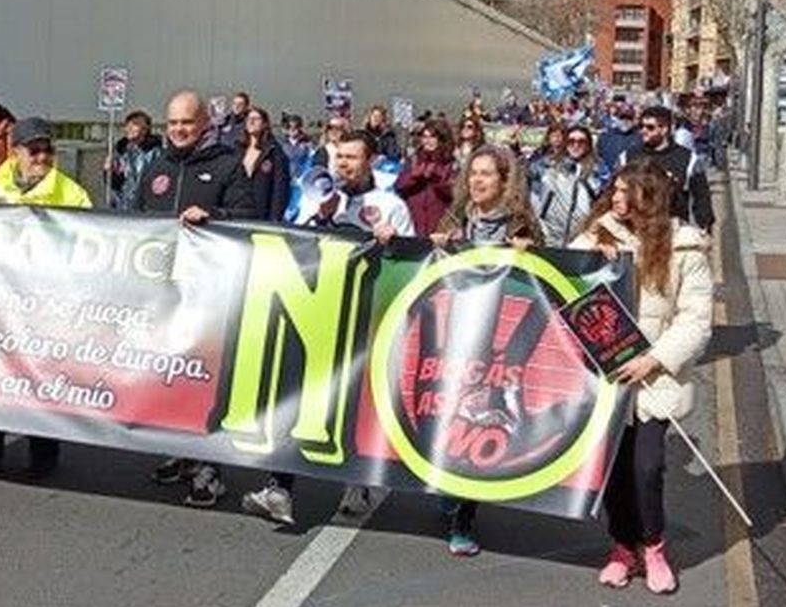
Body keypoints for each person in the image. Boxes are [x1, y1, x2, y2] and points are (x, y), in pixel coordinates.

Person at [242, 130, 413, 527]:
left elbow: (409, 262)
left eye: (353, 157)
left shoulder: (390, 205)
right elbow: (292, 242)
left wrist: (392, 240)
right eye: (341, 157)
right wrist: (322, 216)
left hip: (364, 317)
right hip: (315, 315)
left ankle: (357, 483)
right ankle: (279, 487)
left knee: (352, 403)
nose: (344, 164)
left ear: (371, 161)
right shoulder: (314, 194)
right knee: (296, 399)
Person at [571, 161, 712, 594]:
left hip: (653, 381)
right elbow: (564, 275)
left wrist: (653, 360)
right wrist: (592, 257)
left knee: (647, 467)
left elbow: (695, 320)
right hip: (608, 377)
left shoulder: (686, 247)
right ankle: (621, 547)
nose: (615, 199)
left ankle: (653, 547)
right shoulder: (599, 233)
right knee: (614, 469)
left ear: (647, 196)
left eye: (624, 191)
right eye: (614, 190)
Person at [425, 144, 545, 556]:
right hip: (458, 330)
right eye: (473, 172)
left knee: (478, 417)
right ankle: (449, 488)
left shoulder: (520, 221)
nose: (477, 180)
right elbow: (430, 260)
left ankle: (464, 516)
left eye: (486, 174)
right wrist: (438, 242)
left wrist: (528, 250)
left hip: (502, 335)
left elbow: (548, 268)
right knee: (448, 409)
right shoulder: (457, 215)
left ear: (503, 181)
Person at [137, 90, 255, 507]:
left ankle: (210, 468)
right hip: (164, 293)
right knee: (171, 375)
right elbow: (135, 220)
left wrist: (215, 218)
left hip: (211, 296)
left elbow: (250, 219)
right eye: (172, 123)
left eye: (187, 122)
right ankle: (181, 452)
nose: (179, 130)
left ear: (204, 123)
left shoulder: (227, 165)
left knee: (206, 381)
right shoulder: (156, 167)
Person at [0, 117, 91, 477]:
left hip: (46, 305)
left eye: (47, 150)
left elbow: (89, 247)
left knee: (42, 379)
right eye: (34, 150)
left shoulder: (72, 194)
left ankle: (43, 456)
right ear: (15, 152)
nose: (42, 157)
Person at [619, 106, 715, 233]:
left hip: (672, 230)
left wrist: (704, 226)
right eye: (641, 126)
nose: (643, 131)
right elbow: (615, 191)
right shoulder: (628, 156)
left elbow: (701, 196)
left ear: (664, 129)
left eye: (650, 127)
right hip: (635, 229)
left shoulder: (687, 159)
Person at [533, 124, 607, 247]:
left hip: (582, 237)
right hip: (549, 235)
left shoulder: (599, 170)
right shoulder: (547, 165)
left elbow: (603, 203)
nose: (575, 145)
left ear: (588, 145)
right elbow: (532, 195)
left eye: (581, 142)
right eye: (571, 141)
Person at [394, 119, 455, 237]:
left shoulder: (450, 163)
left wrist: (437, 180)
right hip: (414, 222)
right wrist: (414, 176)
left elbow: (455, 193)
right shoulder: (413, 159)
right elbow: (398, 186)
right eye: (425, 137)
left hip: (439, 223)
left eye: (432, 137)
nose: (427, 141)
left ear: (441, 139)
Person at [240, 106, 292, 222]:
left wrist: (275, 218)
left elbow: (280, 188)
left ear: (264, 124)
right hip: (239, 211)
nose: (251, 122)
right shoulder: (238, 149)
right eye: (248, 119)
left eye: (256, 119)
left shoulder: (274, 151)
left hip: (262, 213)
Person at [106, 109, 162, 210]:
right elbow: (115, 185)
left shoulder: (156, 153)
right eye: (127, 125)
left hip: (145, 208)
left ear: (145, 129)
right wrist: (109, 172)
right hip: (122, 207)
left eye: (135, 124)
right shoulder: (121, 151)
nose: (129, 128)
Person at [597, 105, 643, 176]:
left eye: (629, 118)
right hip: (608, 176)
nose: (625, 121)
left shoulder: (640, 138)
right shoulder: (605, 137)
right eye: (622, 118)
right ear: (616, 118)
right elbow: (599, 158)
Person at [278, 113, 315, 178]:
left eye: (296, 126)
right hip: (285, 178)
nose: (292, 129)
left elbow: (311, 161)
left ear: (300, 128)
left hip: (302, 178)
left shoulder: (308, 144)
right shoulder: (281, 144)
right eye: (289, 126)